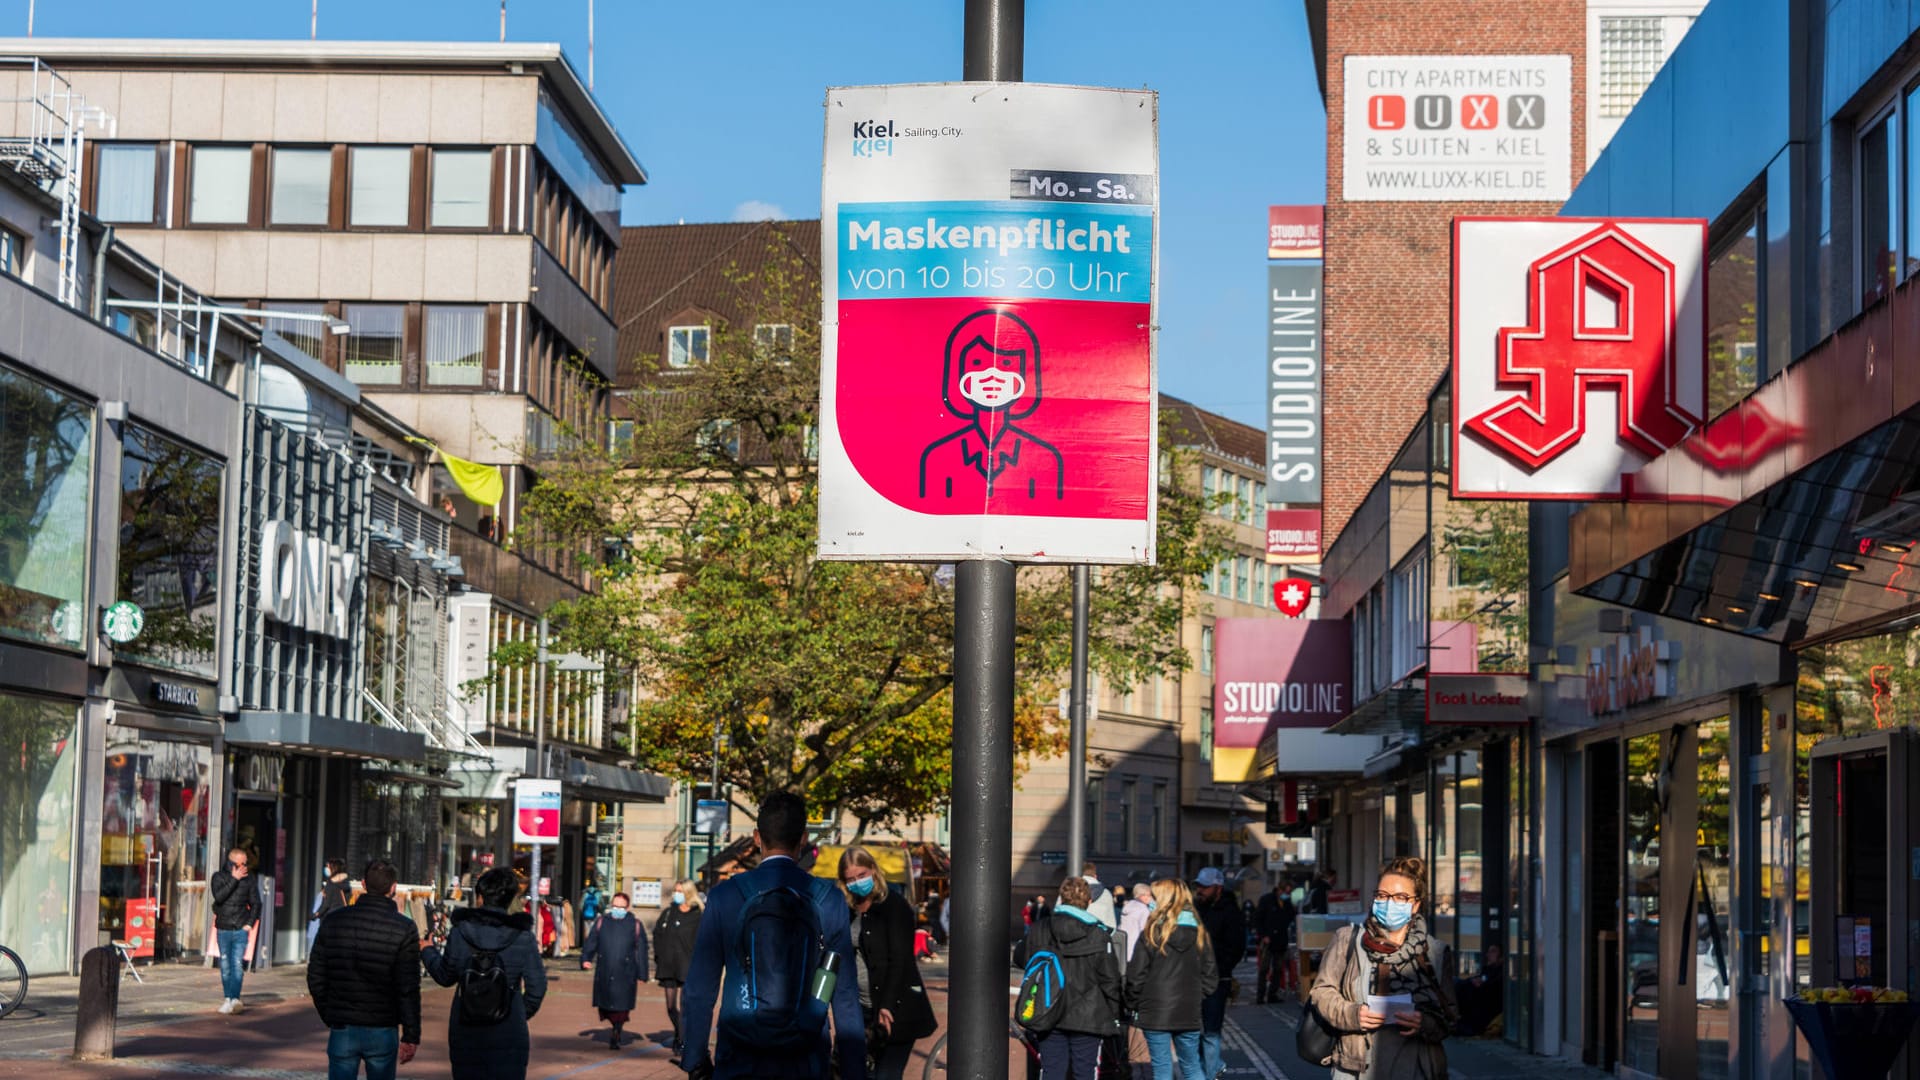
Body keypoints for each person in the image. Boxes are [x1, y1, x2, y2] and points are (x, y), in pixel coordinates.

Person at [681, 791, 866, 1080]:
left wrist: (694, 1058)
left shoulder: (726, 896)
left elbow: (699, 988)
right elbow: (843, 994)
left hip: (740, 1055)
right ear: (803, 838)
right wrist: (854, 1070)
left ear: (757, 837)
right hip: (805, 1058)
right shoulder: (828, 899)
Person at [1306, 857, 1456, 1080]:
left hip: (1417, 1067)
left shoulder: (1434, 952)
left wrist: (1423, 1022)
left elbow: (1449, 1017)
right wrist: (1353, 1014)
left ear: (1415, 904)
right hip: (1356, 1069)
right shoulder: (1347, 940)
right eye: (1382, 896)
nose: (1389, 903)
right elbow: (1321, 992)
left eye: (1400, 897)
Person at [422, 867, 548, 1080]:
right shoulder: (522, 937)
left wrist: (427, 951)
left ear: (480, 898)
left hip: (467, 1027)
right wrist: (517, 1011)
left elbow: (445, 976)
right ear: (509, 899)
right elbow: (537, 986)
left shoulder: (461, 932)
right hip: (509, 1033)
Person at [307, 859, 422, 1079]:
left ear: (363, 884)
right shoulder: (404, 928)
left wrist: (330, 1013)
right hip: (382, 1025)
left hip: (343, 1025)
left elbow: (316, 975)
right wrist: (411, 1034)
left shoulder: (334, 921)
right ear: (394, 887)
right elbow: (408, 987)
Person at [840, 847, 938, 1080]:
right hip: (863, 1008)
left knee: (886, 1075)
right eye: (851, 879)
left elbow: (900, 959)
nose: (857, 882)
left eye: (862, 875)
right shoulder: (850, 909)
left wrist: (886, 1005)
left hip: (895, 1009)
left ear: (873, 870)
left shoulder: (893, 905)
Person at [1022, 875, 1122, 1080]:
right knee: (1085, 1073)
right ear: (1089, 901)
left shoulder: (1041, 928)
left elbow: (1022, 958)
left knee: (1052, 1072)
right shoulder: (1099, 934)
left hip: (1048, 1008)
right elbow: (1110, 979)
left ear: (1062, 898)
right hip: (1089, 1015)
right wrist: (1113, 1013)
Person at [1126, 879, 1217, 1080]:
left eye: (1154, 897)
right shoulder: (1199, 933)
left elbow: (1135, 975)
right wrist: (1196, 995)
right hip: (1188, 1009)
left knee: (1161, 1067)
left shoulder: (1151, 932)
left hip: (1154, 1009)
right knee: (1192, 1066)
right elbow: (1211, 977)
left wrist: (1134, 1002)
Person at [1192, 867, 1246, 1080]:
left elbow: (1237, 946)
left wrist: (1222, 967)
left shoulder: (1230, 911)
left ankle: (1210, 1072)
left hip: (1217, 979)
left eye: (1205, 887)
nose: (1200, 890)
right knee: (1192, 1029)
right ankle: (1207, 1067)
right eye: (1199, 886)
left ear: (1218, 888)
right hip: (1195, 977)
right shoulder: (1198, 908)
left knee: (1212, 1029)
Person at [582, 891, 649, 1049]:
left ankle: (617, 1030)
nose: (617, 909)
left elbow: (641, 950)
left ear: (627, 907)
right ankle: (614, 1026)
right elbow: (592, 941)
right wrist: (586, 958)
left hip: (626, 972)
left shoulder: (635, 924)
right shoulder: (602, 922)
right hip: (605, 970)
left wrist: (642, 973)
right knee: (606, 1005)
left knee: (621, 1007)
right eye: (615, 906)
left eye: (621, 906)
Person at [654, 879, 704, 1060]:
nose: (676, 894)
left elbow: (702, 941)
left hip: (687, 966)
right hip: (668, 965)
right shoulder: (669, 912)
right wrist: (659, 954)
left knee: (684, 1007)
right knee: (670, 1006)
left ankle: (681, 1040)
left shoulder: (698, 915)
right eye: (675, 890)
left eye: (680, 891)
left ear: (689, 893)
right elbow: (657, 933)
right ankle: (678, 1031)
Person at [210, 845, 262, 1014]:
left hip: (240, 928)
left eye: (245, 864)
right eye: (242, 864)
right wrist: (234, 879)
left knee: (237, 964)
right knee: (225, 965)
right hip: (223, 928)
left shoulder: (249, 879)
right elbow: (219, 897)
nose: (245, 867)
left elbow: (256, 903)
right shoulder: (218, 877)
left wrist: (249, 923)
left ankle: (235, 998)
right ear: (232, 864)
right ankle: (227, 998)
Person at [1254, 883, 1297, 1004]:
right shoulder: (1266, 900)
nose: (1286, 895)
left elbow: (1289, 917)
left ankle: (1272, 994)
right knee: (1264, 969)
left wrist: (1292, 908)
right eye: (1285, 892)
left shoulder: (1286, 902)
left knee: (1278, 969)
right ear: (1279, 890)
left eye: (1288, 893)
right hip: (1268, 940)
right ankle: (1260, 995)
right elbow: (1257, 918)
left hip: (1281, 940)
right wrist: (1263, 935)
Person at [1453, 942, 1505, 1036]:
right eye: (1489, 952)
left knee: (1457, 984)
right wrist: (1473, 981)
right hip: (1475, 1003)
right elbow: (1480, 979)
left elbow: (1492, 988)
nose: (1488, 955)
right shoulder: (1488, 970)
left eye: (1493, 951)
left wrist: (1480, 983)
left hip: (1484, 1008)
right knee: (1456, 982)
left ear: (1501, 957)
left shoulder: (1501, 973)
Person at [308, 856, 353, 950]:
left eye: (328, 866)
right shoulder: (346, 884)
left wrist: (315, 915)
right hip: (343, 920)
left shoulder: (330, 885)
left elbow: (325, 905)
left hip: (329, 920)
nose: (326, 869)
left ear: (333, 868)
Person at [1119, 882, 1152, 962]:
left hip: (1123, 944)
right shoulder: (1143, 910)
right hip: (1136, 946)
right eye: (1149, 895)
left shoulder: (1128, 906)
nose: (1151, 898)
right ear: (1142, 896)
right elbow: (1144, 930)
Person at [1081, 861, 1117, 929]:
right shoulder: (1106, 894)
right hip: (1098, 936)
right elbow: (1111, 924)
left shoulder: (1071, 890)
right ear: (1095, 876)